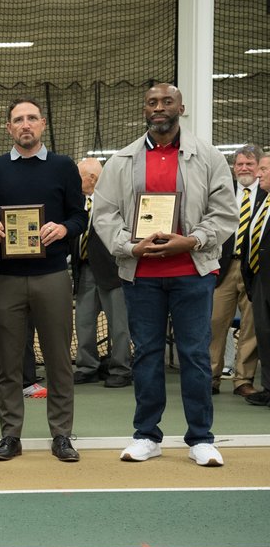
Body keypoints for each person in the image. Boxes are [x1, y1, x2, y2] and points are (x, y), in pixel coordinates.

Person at [91, 83, 237, 467]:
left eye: (166, 101)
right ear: (145, 109)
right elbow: (104, 215)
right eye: (152, 102)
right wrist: (130, 246)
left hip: (193, 272)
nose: (159, 108)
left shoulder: (207, 157)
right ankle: (146, 435)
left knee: (194, 355)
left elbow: (224, 214)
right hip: (141, 275)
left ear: (181, 108)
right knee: (148, 356)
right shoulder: (123, 160)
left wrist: (190, 241)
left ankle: (201, 438)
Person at [0, 98, 88, 463]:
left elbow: (79, 217)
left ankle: (61, 434)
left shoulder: (63, 167)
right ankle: (10, 435)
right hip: (5, 278)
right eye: (18, 120)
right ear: (8, 128)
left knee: (59, 359)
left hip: (53, 277)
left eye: (31, 118)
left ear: (42, 124)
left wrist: (63, 228)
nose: (25, 125)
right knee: (8, 363)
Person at [72, 157, 132, 389]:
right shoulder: (78, 203)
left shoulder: (115, 201)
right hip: (85, 270)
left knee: (119, 324)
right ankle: (87, 367)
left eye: (79, 177)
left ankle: (121, 369)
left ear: (92, 178)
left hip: (113, 271)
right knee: (83, 322)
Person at [209, 145, 263, 397]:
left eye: (249, 164)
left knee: (251, 326)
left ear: (258, 167)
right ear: (234, 167)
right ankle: (210, 376)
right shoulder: (224, 192)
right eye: (240, 164)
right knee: (213, 323)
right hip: (224, 267)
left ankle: (243, 380)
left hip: (255, 268)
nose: (244, 168)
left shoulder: (266, 194)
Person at [240, 153, 270, 406]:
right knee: (264, 333)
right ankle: (269, 388)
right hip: (259, 277)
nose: (258, 174)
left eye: (263, 169)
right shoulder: (263, 201)